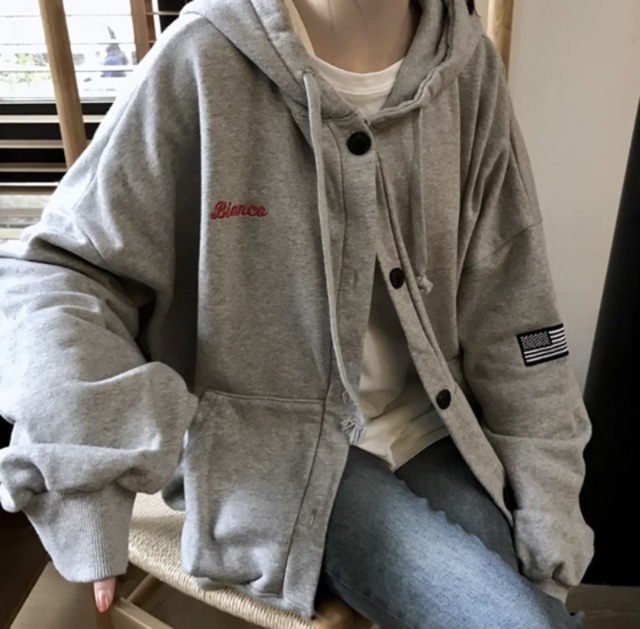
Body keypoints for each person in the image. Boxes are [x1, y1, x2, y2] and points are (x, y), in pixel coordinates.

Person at [0, 0, 594, 627]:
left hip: (433, 431)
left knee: (524, 600)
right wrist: (87, 474)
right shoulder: (205, 54)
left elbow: (516, 307)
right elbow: (58, 273)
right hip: (267, 454)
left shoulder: (467, 70)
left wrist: (549, 505)